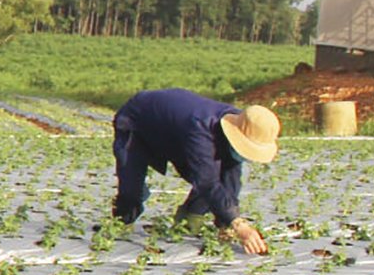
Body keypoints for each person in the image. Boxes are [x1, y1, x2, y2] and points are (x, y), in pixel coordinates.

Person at [110, 88, 279, 254]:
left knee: (218, 176)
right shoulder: (201, 129)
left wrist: (226, 223)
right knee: (132, 189)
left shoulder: (242, 123)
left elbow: (230, 176)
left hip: (175, 130)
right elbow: (207, 182)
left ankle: (188, 219)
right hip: (137, 121)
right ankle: (121, 223)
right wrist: (238, 224)